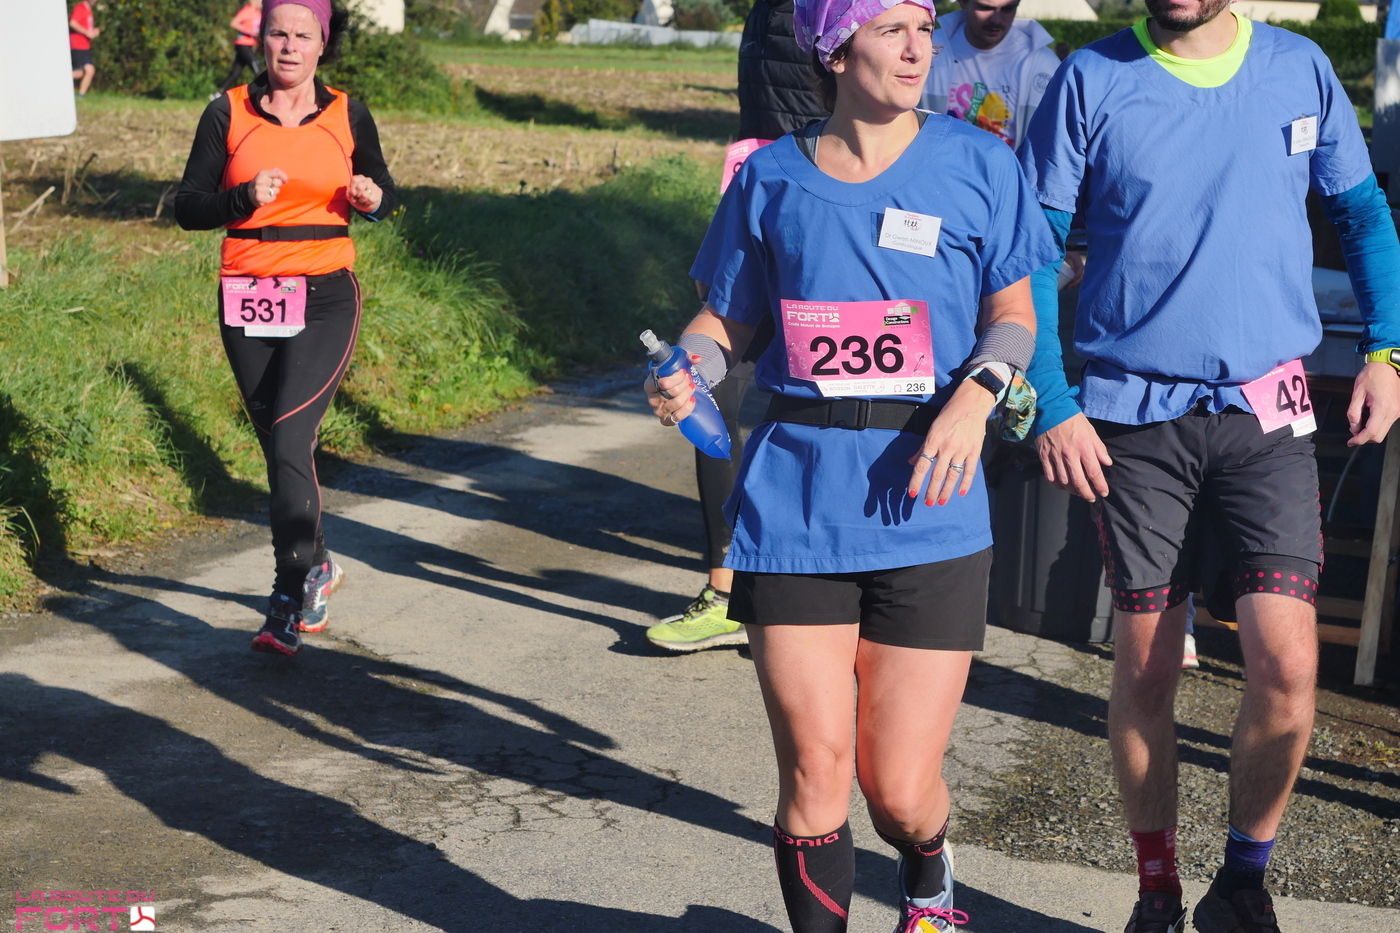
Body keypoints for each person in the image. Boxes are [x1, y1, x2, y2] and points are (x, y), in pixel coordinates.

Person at [646, 0, 1056, 928]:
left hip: (931, 502)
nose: (918, 49)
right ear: (835, 49)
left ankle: (928, 871)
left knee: (899, 788)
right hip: (796, 502)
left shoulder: (979, 162)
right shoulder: (769, 177)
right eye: (891, 29)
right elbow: (725, 320)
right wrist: (688, 366)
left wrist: (977, 395)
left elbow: (1015, 315)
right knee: (814, 768)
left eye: (925, 28)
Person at [1018, 1, 1400, 930]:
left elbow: (1362, 214)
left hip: (1266, 417)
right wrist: (1051, 401)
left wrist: (1387, 351)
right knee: (1149, 668)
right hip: (1133, 418)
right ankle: (1156, 889)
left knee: (1288, 666)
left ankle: (1241, 884)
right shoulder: (1091, 78)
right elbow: (1028, 248)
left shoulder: (1299, 68)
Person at [175, 0, 398, 656]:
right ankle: (318, 561)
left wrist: (372, 199)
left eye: (304, 35)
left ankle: (286, 597)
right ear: (262, 39)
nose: (290, 46)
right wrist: (242, 198)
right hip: (247, 293)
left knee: (292, 437)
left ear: (323, 44)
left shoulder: (348, 114)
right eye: (279, 32)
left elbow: (387, 195)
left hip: (325, 293)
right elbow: (188, 206)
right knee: (279, 444)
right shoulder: (227, 112)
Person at [645, 0, 827, 653]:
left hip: (831, 208)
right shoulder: (762, 13)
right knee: (714, 389)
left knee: (827, 397)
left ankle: (832, 595)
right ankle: (724, 593)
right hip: (761, 194)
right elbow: (759, 124)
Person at [918, 0, 1058, 149]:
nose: (996, 20)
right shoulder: (924, 49)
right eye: (985, 8)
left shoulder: (1044, 63)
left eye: (1008, 9)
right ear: (963, 2)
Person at [218, 0, 265, 95]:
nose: (262, 3)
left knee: (236, 72)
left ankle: (219, 93)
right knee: (257, 67)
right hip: (242, 44)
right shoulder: (247, 10)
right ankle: (258, 93)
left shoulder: (258, 13)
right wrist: (248, 31)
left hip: (250, 45)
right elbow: (233, 23)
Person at [69, 1, 99, 98]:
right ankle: (55, 80)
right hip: (77, 44)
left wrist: (94, 31)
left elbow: (87, 27)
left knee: (86, 72)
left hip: (85, 46)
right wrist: (87, 33)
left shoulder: (88, 9)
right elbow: (73, 23)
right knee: (84, 71)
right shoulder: (80, 8)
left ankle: (80, 96)